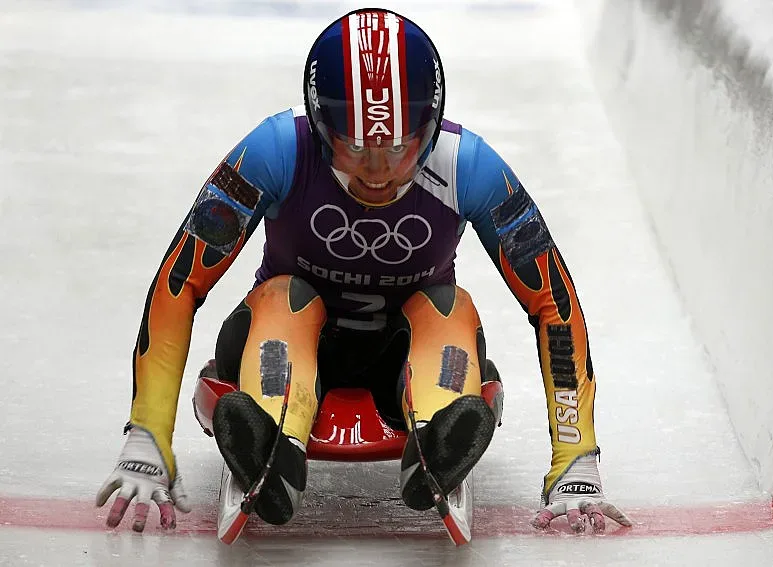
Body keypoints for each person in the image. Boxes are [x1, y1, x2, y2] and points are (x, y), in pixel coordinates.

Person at [95, 7, 631, 535]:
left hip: (404, 354)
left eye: (398, 148)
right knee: (288, 296)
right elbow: (182, 278)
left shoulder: (471, 167)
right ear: (322, 126)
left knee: (450, 305)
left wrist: (576, 461)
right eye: (355, 147)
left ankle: (433, 440)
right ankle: (273, 440)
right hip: (282, 339)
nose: (377, 172)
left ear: (429, 124)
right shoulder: (275, 150)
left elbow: (549, 300)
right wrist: (147, 435)